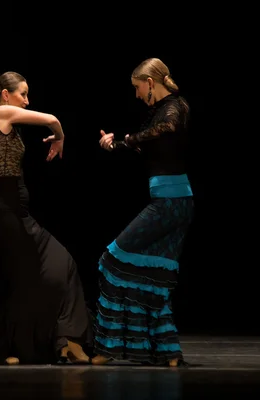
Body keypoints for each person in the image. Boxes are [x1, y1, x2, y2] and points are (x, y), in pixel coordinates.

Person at [0, 71, 93, 365]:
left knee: (58, 266)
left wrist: (9, 191)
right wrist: (60, 138)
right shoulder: (1, 112)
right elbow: (52, 120)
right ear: (6, 95)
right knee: (28, 277)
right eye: (23, 94)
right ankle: (1, 349)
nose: (27, 100)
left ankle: (66, 343)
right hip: (8, 213)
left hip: (12, 211)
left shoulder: (0, 127)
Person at [92, 58, 194, 367]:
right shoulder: (158, 113)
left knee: (111, 259)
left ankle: (109, 346)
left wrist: (128, 139)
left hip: (170, 204)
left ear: (150, 83)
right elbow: (149, 143)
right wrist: (114, 145)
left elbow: (169, 127)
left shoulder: (175, 107)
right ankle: (167, 352)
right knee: (153, 276)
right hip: (173, 202)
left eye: (138, 88)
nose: (136, 95)